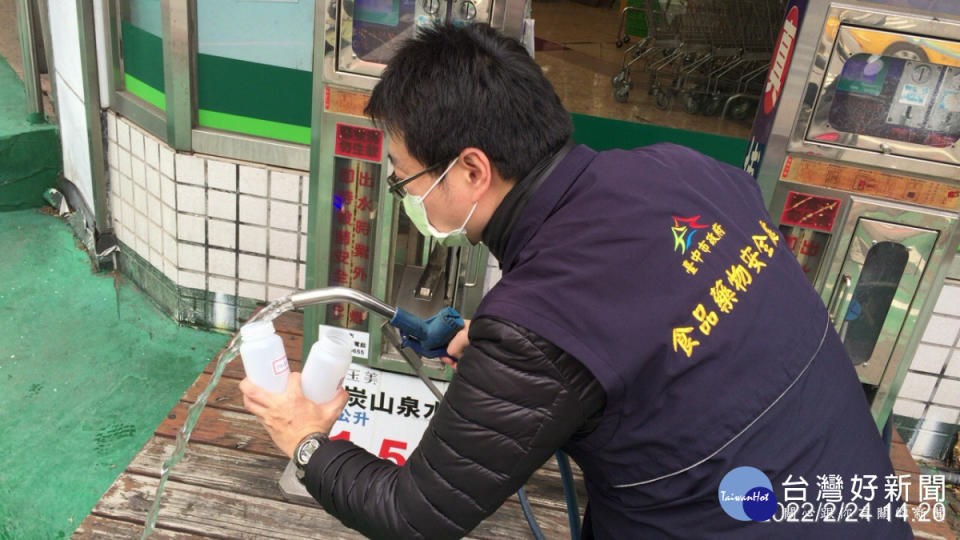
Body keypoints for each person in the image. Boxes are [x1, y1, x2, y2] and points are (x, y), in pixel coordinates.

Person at [240, 23, 912, 539]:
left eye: (405, 177)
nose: (402, 193)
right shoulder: (686, 169)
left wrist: (306, 440)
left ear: (471, 171)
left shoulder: (538, 327)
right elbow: (663, 316)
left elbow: (417, 514)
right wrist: (524, 352)